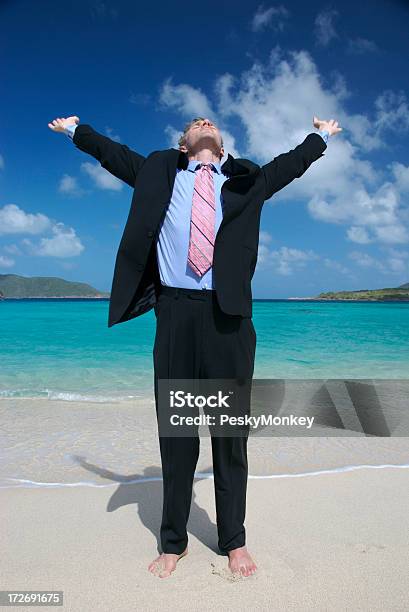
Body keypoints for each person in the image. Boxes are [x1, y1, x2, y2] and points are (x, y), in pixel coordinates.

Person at [48, 113, 342, 578]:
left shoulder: (248, 181)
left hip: (228, 318)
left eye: (211, 123)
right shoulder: (157, 171)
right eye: (193, 124)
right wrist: (75, 130)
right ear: (183, 144)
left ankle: (233, 541)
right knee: (178, 435)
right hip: (177, 316)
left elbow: (292, 165)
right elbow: (111, 154)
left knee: (229, 437)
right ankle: (173, 542)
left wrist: (321, 136)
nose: (203, 122)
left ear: (222, 145)